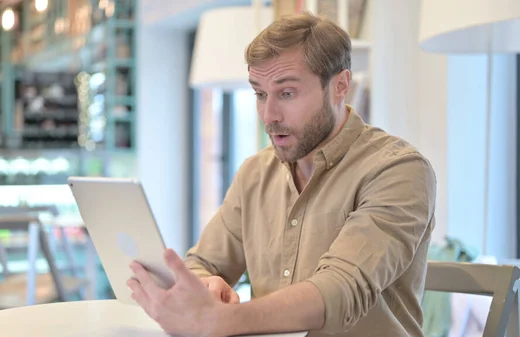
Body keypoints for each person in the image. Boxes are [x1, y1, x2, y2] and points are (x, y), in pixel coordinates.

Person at [127, 11, 436, 337]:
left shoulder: (399, 170)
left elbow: (341, 291)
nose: (269, 115)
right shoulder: (256, 173)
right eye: (260, 94)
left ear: (340, 86)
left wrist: (223, 321)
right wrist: (208, 285)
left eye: (287, 93)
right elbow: (202, 263)